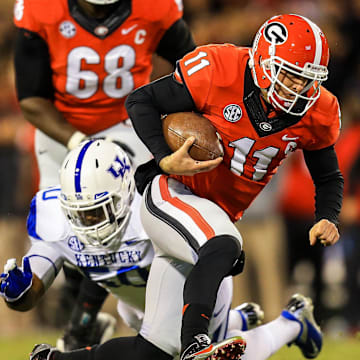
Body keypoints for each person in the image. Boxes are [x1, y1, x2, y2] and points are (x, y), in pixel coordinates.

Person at [124, 13, 344, 360]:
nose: (297, 88)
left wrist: (327, 216)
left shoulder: (318, 111)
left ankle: (54, 358)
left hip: (219, 217)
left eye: (305, 80)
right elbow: (140, 101)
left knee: (156, 350)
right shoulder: (218, 68)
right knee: (224, 246)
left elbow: (328, 175)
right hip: (174, 191)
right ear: (262, 61)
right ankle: (195, 342)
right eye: (288, 74)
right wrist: (165, 158)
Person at [12, 0, 196, 348]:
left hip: (128, 125)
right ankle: (83, 319)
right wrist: (78, 141)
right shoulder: (41, 10)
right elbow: (31, 99)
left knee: (123, 229)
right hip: (60, 130)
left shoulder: (155, 8)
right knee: (66, 231)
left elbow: (194, 68)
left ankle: (95, 323)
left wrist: (167, 113)